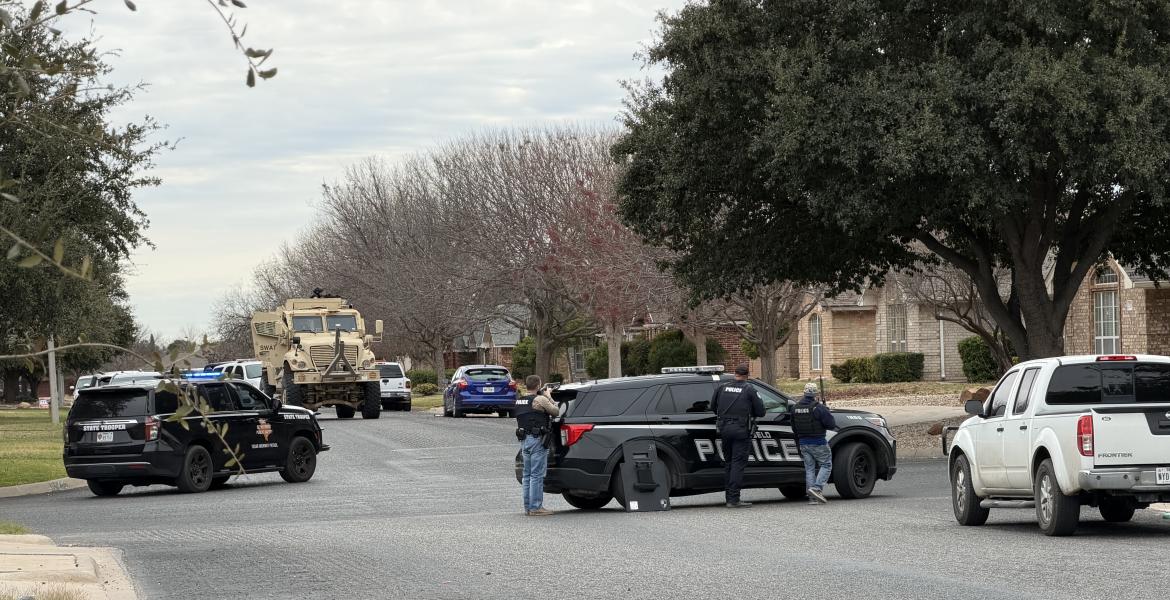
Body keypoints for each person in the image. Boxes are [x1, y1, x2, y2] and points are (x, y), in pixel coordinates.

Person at [710, 363, 764, 508]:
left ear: (735, 373)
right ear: (747, 375)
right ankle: (734, 499)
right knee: (737, 464)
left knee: (728, 463)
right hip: (741, 430)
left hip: (724, 430)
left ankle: (729, 497)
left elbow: (712, 407)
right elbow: (761, 412)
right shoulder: (749, 389)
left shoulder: (721, 388)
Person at [514, 375, 559, 516]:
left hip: (524, 440)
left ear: (526, 385)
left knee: (527, 475)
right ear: (538, 386)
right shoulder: (540, 399)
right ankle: (536, 507)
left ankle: (528, 507)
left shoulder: (519, 401)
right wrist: (549, 395)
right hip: (537, 440)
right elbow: (556, 411)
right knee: (537, 475)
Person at [793, 382, 838, 504]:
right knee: (826, 465)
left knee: (810, 469)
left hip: (803, 442)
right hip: (818, 442)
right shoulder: (818, 407)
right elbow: (831, 424)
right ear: (815, 394)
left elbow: (794, 426)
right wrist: (826, 411)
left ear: (804, 392)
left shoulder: (795, 408)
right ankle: (816, 489)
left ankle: (812, 498)